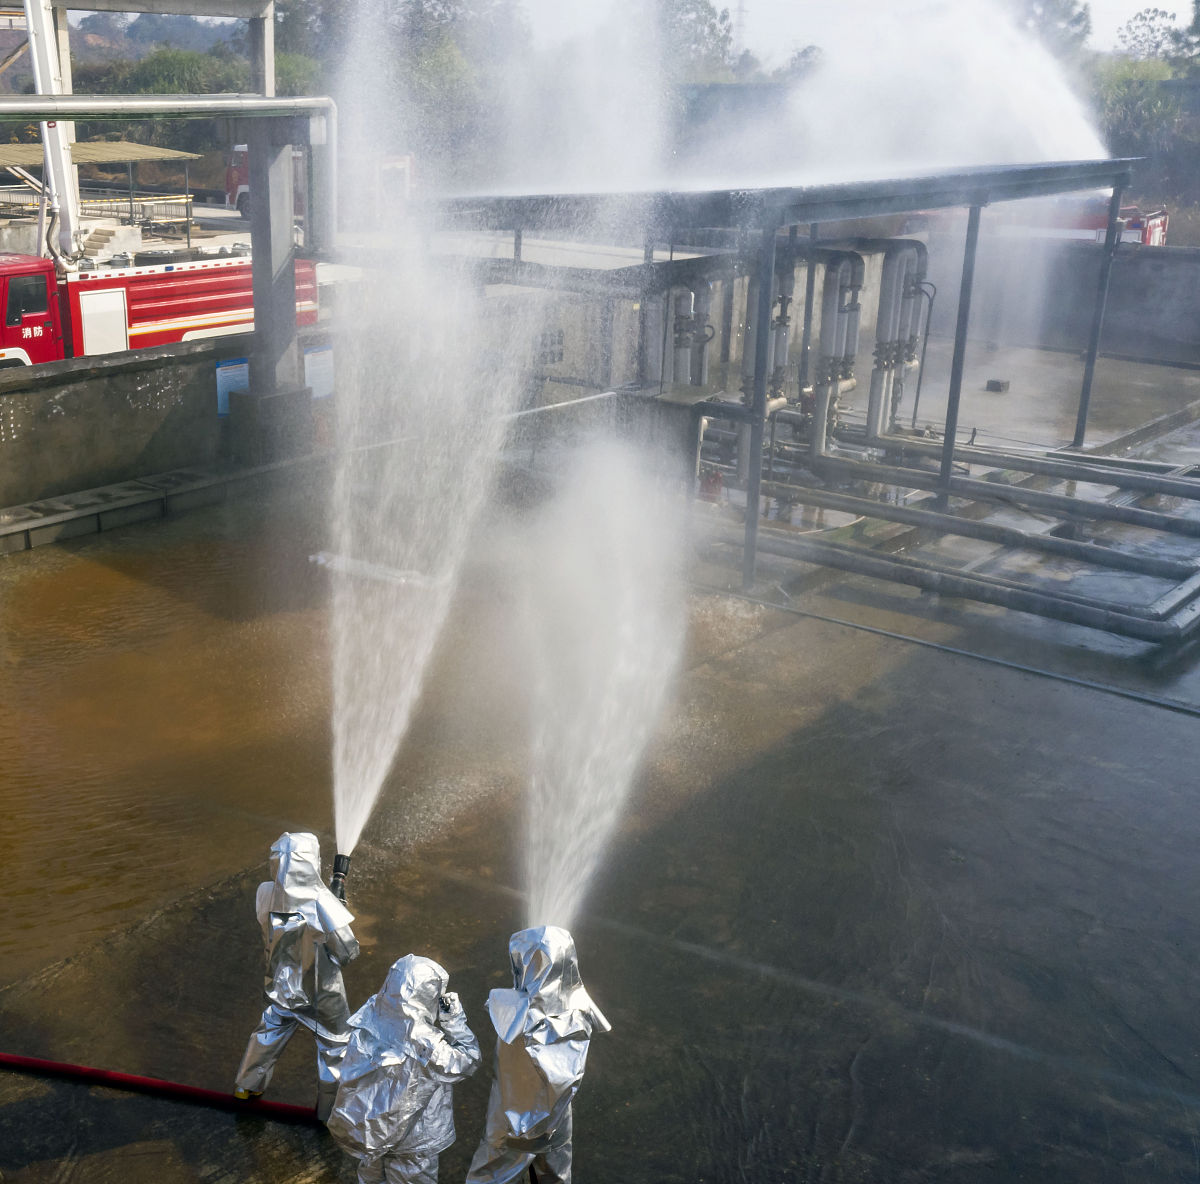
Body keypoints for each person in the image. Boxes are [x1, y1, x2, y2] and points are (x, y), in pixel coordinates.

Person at [465, 926, 610, 1184]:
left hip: (512, 1124)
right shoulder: (581, 1008)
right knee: (553, 1172)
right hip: (557, 1120)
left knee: (494, 1175)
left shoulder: (511, 1010)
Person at [234, 830, 360, 1119]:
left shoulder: (265, 892)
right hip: (321, 995)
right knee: (334, 1045)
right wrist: (337, 910)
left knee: (270, 1030)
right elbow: (347, 952)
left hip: (280, 986)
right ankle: (328, 1112)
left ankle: (246, 1086)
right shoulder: (322, 903)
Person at [327, 954, 482, 1184]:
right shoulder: (425, 1044)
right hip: (413, 1142)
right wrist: (454, 1021)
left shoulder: (370, 1014)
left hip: (370, 1131)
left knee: (370, 1176)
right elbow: (469, 1060)